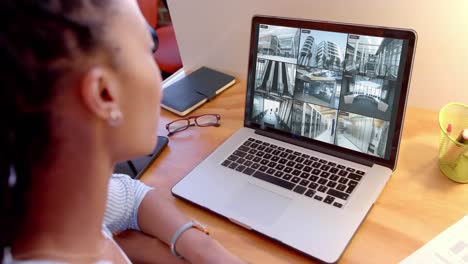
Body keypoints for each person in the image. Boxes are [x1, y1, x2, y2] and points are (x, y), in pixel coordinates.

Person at [0, 0, 245, 263]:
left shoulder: (50, 200)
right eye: (149, 49)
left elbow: (129, 198)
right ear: (105, 94)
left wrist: (200, 248)